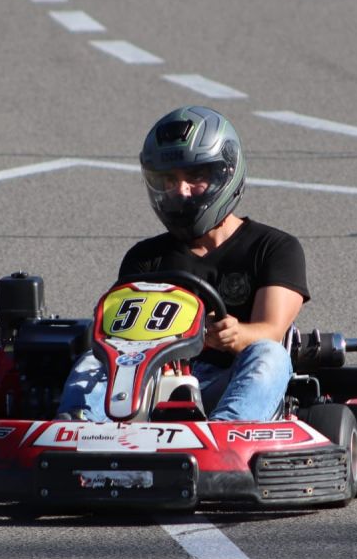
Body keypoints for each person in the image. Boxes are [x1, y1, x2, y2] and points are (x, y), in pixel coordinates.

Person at [57, 106, 309, 422]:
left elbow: (271, 330)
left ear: (225, 174)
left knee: (269, 354)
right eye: (169, 180)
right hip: (150, 385)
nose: (180, 190)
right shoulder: (145, 258)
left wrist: (235, 335)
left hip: (227, 382)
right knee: (95, 360)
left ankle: (226, 431)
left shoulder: (273, 248)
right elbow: (123, 340)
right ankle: (79, 427)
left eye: (195, 177)